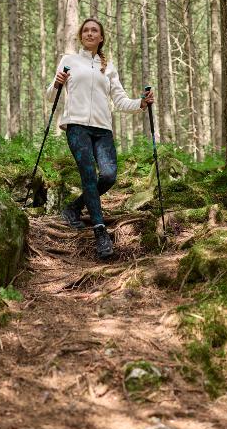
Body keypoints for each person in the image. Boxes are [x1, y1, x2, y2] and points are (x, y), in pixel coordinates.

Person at [45, 17, 155, 259]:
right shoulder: (69, 61)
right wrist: (56, 83)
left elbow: (120, 100)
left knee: (108, 175)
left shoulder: (109, 66)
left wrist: (142, 103)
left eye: (94, 30)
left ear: (101, 37)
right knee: (87, 173)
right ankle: (100, 232)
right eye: (86, 30)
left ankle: (73, 208)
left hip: (102, 129)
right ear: (81, 36)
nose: (90, 33)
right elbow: (50, 95)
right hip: (76, 126)